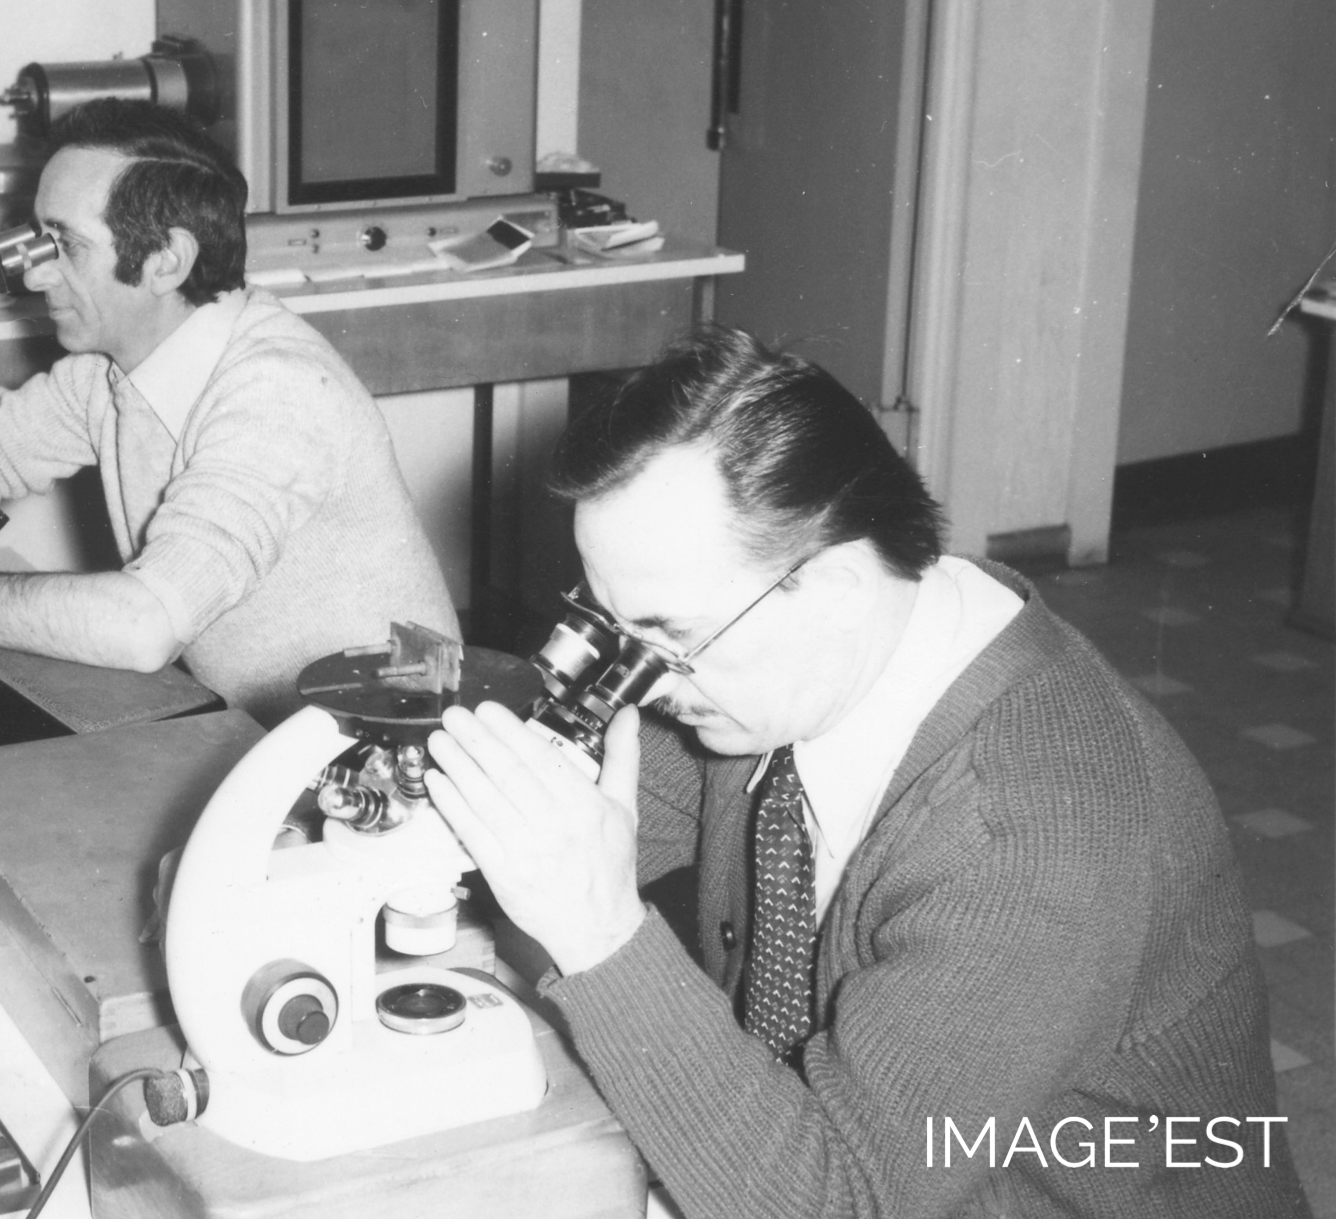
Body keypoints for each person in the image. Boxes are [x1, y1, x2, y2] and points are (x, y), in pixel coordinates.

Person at [423, 325, 1307, 1217]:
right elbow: (573, 828)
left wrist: (601, 931)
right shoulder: (809, 659)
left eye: (669, 637)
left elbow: (842, 1205)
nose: (639, 684)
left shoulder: (1032, 839)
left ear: (837, 588)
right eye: (615, 627)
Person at [0, 98, 457, 723]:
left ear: (165, 261)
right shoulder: (111, 372)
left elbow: (143, 625)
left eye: (66, 246)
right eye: (38, 241)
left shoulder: (276, 393)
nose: (35, 274)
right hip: (263, 731)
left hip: (379, 755)